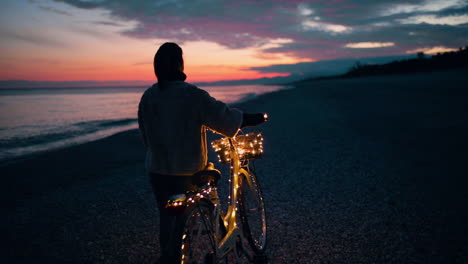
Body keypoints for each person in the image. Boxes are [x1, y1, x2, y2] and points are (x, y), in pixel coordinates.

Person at [138, 42, 265, 263]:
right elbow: (224, 119)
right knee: (196, 200)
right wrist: (247, 118)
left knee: (167, 218)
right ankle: (211, 242)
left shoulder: (148, 96)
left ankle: (169, 256)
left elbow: (145, 134)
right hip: (187, 169)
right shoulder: (192, 95)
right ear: (180, 64)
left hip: (157, 170)